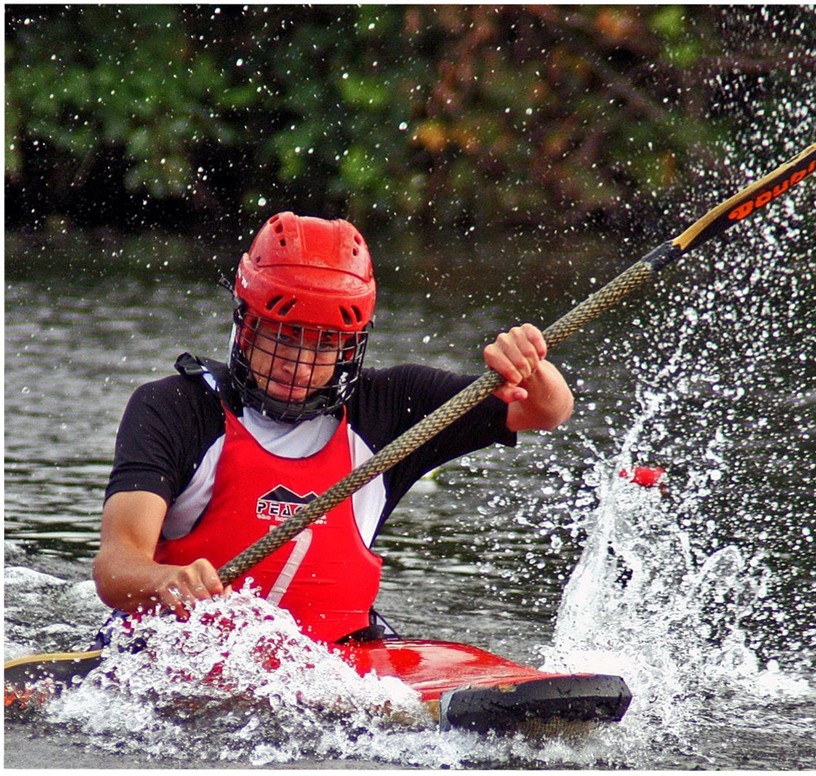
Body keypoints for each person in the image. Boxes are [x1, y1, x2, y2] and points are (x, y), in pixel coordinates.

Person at [92, 211, 573, 645]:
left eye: (324, 345)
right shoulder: (174, 407)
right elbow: (116, 566)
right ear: (246, 326)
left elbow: (546, 411)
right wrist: (163, 581)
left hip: (339, 656)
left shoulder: (390, 406)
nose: (299, 365)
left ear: (351, 348)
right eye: (284, 336)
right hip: (183, 648)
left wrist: (529, 365)